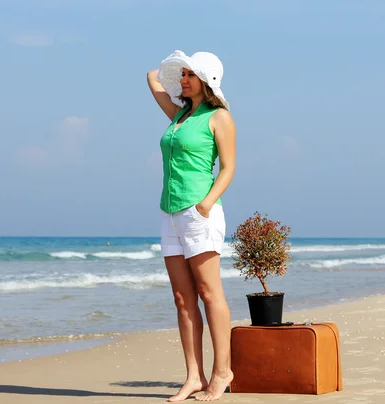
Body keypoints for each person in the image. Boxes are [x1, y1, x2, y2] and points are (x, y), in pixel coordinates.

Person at [146, 50, 236, 402]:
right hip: (169, 212)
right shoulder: (179, 115)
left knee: (209, 292)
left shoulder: (219, 117)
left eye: (189, 75)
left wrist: (207, 202)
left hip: (200, 211)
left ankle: (222, 371)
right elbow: (152, 76)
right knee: (183, 298)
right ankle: (193, 376)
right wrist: (179, 69)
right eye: (182, 74)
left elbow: (228, 167)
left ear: (206, 80)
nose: (182, 80)